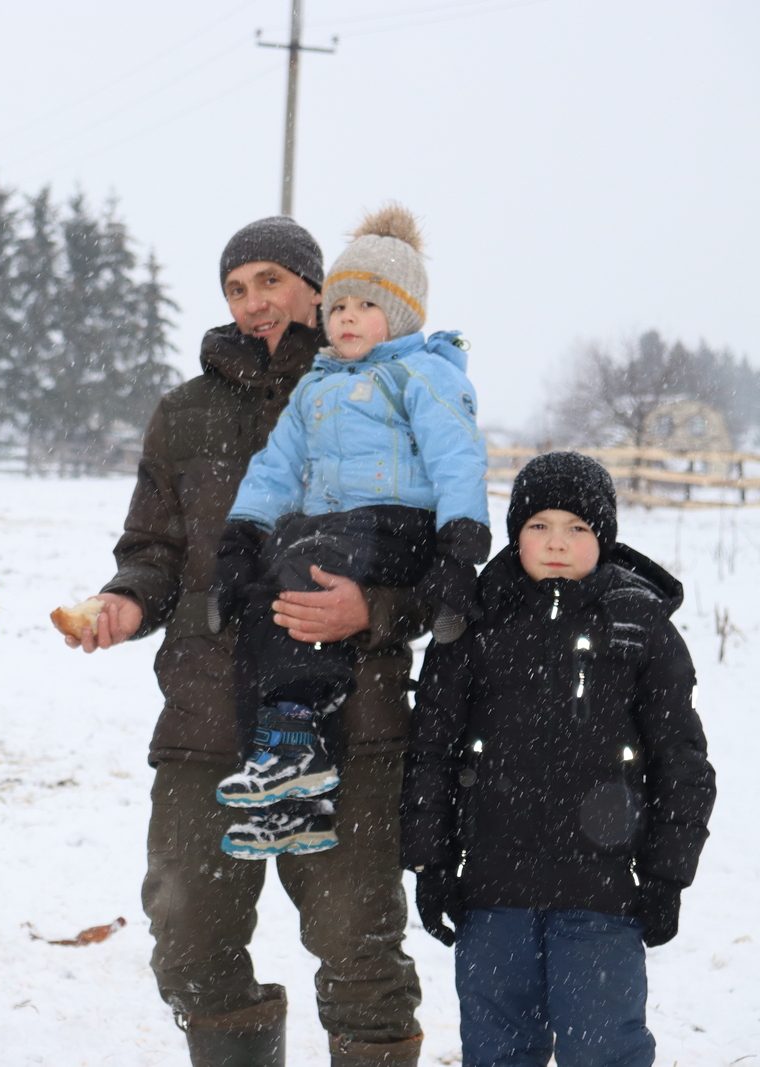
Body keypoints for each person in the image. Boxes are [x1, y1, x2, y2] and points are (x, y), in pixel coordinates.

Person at [64, 217, 429, 1067]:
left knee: (359, 951)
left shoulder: (382, 395)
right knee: (188, 938)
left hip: (348, 716)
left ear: (315, 287)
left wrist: (368, 610)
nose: (254, 302)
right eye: (236, 286)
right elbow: (152, 553)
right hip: (205, 720)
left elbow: (441, 558)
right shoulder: (185, 415)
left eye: (271, 280)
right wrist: (123, 602)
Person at [402, 451, 716, 1067]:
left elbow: (681, 761)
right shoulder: (475, 619)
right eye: (538, 525)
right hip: (493, 893)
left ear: (604, 537)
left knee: (603, 1051)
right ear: (517, 532)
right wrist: (432, 864)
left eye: (577, 528)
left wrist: (665, 877)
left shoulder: (638, 621)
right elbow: (431, 751)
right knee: (498, 1050)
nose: (556, 543)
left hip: (601, 895)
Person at [210, 205, 490, 856]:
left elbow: (457, 458)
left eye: (365, 305)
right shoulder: (317, 386)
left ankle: (297, 739)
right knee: (264, 600)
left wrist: (461, 546)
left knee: (307, 567)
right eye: (338, 307)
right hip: (332, 529)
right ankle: (293, 795)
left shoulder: (421, 373)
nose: (346, 319)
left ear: (401, 314)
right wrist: (241, 538)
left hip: (400, 525)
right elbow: (275, 466)